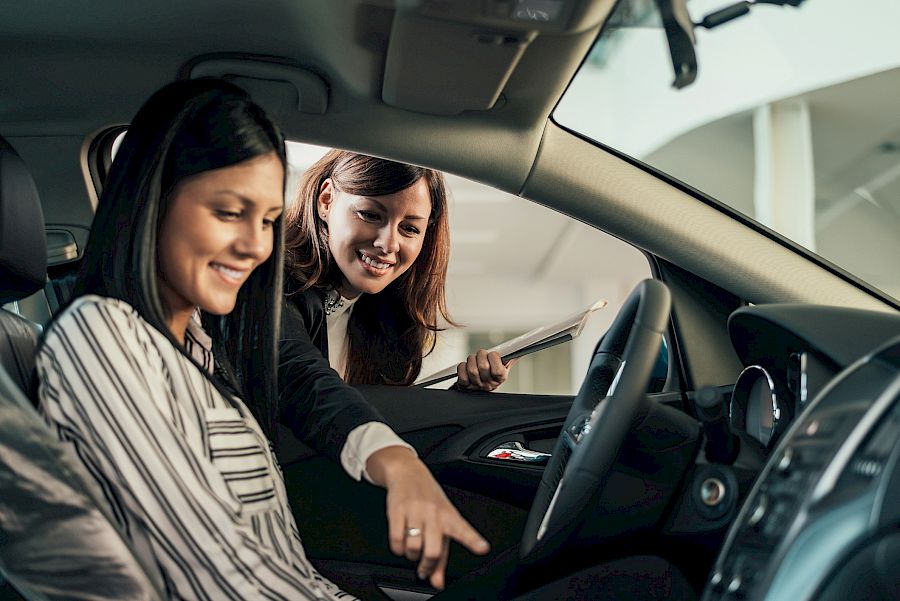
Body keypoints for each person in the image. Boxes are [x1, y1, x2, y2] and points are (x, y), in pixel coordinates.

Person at [35, 78, 487, 600]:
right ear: (153, 202)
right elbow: (211, 570)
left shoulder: (201, 355)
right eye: (229, 212)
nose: (256, 246)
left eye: (268, 219)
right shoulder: (102, 339)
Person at [282, 150, 516, 391]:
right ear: (326, 199)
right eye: (370, 215)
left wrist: (464, 396)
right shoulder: (273, 288)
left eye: (410, 229)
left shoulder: (388, 321)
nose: (389, 244)